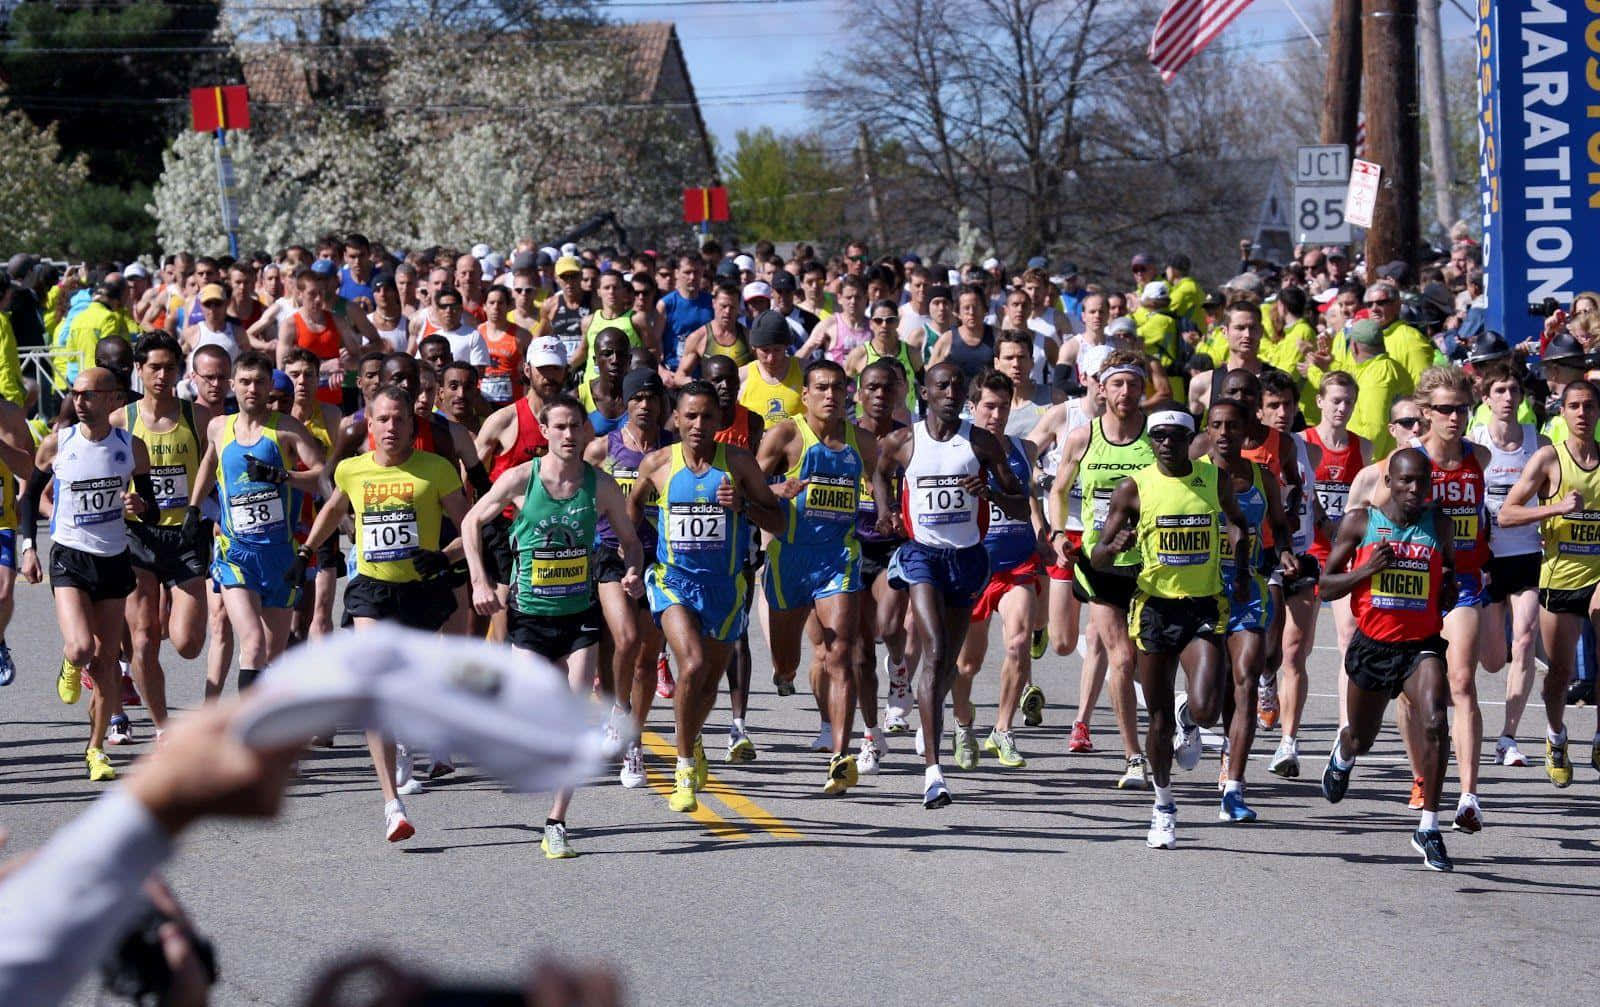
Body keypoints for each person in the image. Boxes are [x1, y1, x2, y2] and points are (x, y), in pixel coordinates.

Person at [464, 394, 644, 859]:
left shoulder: (601, 486)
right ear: (544, 431)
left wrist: (633, 570)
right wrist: (481, 581)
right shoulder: (521, 480)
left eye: (575, 427)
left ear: (586, 432)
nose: (568, 435)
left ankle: (556, 820)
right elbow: (470, 522)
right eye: (559, 427)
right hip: (529, 616)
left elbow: (630, 540)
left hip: (579, 615)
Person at [301, 385, 471, 842]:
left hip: (421, 590)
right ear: (369, 426)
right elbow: (335, 509)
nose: (391, 427)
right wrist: (307, 550)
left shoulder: (436, 470)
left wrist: (447, 557)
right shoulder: (353, 470)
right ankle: (392, 804)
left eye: (399, 419)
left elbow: (470, 527)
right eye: (383, 419)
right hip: (372, 588)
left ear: (411, 426)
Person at [872, 361, 1028, 808]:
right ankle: (934, 773)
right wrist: (886, 512)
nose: (951, 392)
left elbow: (1019, 504)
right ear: (925, 392)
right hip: (922, 555)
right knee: (936, 648)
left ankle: (928, 712)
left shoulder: (980, 443)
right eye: (942, 385)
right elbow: (880, 471)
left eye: (958, 385)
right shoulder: (903, 441)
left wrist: (991, 493)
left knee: (947, 667)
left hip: (967, 559)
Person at [1092, 409, 1249, 849]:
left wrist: (1238, 546)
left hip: (1203, 605)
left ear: (1190, 439)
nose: (1165, 444)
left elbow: (1236, 518)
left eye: (1174, 437)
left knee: (1207, 707)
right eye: (1157, 436)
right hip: (1155, 609)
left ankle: (1191, 718)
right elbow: (1099, 555)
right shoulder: (1133, 488)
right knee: (1156, 718)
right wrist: (1114, 546)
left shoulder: (1213, 479)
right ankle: (1163, 806)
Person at [628, 381, 787, 813]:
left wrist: (744, 506)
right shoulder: (657, 464)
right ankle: (683, 768)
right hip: (673, 581)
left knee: (708, 683)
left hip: (725, 588)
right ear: (675, 419)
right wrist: (632, 561)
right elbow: (627, 519)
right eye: (690, 416)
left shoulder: (738, 463)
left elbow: (780, 520)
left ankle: (692, 739)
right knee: (692, 663)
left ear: (720, 422)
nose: (698, 425)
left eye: (707, 417)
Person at [1319, 447, 1457, 872]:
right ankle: (1343, 754)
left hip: (1420, 645)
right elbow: (1325, 587)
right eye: (1407, 481)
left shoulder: (1440, 525)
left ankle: (1428, 827)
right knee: (1362, 739)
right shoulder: (1362, 522)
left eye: (1423, 482)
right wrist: (1366, 571)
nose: (1415, 490)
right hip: (1373, 646)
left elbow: (1448, 572)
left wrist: (1447, 588)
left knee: (1435, 720)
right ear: (1390, 483)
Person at [18, 367, 156, 780]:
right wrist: (29, 548)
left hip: (113, 559)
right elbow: (28, 499)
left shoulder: (131, 448)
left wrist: (138, 507)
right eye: (75, 394)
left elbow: (149, 505)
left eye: (89, 395)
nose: (79, 402)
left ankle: (96, 749)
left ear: (112, 399)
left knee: (107, 661)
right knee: (81, 649)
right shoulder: (57, 443)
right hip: (69, 556)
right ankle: (68, 663)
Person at [756, 360, 881, 793]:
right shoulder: (786, 436)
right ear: (805, 395)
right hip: (789, 558)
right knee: (788, 659)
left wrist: (884, 508)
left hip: (837, 557)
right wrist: (777, 490)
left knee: (840, 651)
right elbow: (748, 483)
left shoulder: (862, 442)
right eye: (822, 388)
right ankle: (785, 674)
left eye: (838, 388)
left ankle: (839, 757)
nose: (831, 395)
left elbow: (881, 478)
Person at [188, 351, 326, 697]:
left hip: (279, 555)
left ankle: (269, 738)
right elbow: (208, 463)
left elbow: (325, 477)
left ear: (269, 387)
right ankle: (244, 738)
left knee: (273, 655)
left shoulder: (286, 428)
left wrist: (282, 475)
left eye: (260, 382)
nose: (252, 389)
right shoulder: (219, 427)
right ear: (233, 385)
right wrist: (193, 508)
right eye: (245, 382)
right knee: (252, 642)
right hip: (236, 553)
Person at [1052, 349, 1152, 785]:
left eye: (1133, 383)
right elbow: (1058, 490)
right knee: (1122, 657)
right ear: (1101, 388)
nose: (1125, 392)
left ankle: (1174, 722)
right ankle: (1133, 754)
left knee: (1152, 660)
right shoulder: (1082, 437)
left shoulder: (1158, 436)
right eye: (1117, 384)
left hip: (1152, 562)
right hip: (1101, 562)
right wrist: (1058, 534)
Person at [1399, 366, 1491, 830]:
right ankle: (1421, 775)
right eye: (1445, 409)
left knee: (1461, 681)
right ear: (1424, 413)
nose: (1455, 417)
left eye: (1462, 408)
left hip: (1465, 581)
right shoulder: (1407, 461)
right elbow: (1377, 510)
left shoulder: (1481, 457)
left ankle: (1469, 794)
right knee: (1413, 694)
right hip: (1416, 584)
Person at [1498, 379, 1600, 788]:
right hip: (1559, 577)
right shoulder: (1548, 460)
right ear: (1562, 412)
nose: (1581, 413)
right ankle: (1556, 736)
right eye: (1574, 406)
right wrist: (1556, 508)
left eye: (1589, 406)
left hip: (1597, 575)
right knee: (1558, 673)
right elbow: (1507, 514)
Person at [115, 333, 211, 739]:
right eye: (153, 367)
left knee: (188, 643)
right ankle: (162, 728)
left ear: (179, 371)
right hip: (139, 537)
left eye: (169, 367)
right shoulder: (122, 420)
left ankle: (169, 602)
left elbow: (222, 467)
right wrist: (122, 502)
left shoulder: (199, 418)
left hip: (186, 535)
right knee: (143, 640)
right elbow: (102, 476)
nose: (161, 375)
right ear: (139, 370)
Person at [1204, 399, 1297, 821]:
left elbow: (1278, 524)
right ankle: (1192, 713)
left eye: (1232, 426)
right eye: (1217, 426)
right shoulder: (1193, 477)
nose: (1224, 433)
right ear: (1207, 431)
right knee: (1212, 695)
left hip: (1249, 590)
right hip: (1201, 592)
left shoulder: (1262, 476)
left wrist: (1287, 552)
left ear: (1246, 432)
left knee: (1245, 681)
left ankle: (1234, 789)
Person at [1272, 371, 1369, 776]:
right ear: (1319, 403)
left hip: (1345, 559)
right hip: (1309, 554)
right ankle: (1287, 742)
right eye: (1335, 400)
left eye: (1348, 401)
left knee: (1348, 641)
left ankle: (1344, 728)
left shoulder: (1363, 447)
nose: (1341, 408)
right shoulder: (1304, 445)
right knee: (1295, 649)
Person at [951, 370, 1047, 770]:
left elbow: (1032, 502)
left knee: (1017, 642)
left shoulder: (1024, 449)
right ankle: (962, 723)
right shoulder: (956, 449)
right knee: (967, 664)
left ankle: (1002, 730)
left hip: (1017, 564)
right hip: (973, 566)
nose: (996, 414)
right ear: (973, 408)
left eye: (1003, 406)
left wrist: (1045, 536)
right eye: (989, 406)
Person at [587, 368, 674, 785]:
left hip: (660, 558)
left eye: (651, 398)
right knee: (625, 639)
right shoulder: (601, 450)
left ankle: (634, 742)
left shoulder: (675, 450)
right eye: (636, 398)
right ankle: (617, 713)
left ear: (662, 405)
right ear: (623, 403)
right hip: (609, 555)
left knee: (645, 660)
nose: (644, 405)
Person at [1466, 360, 1545, 768]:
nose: (1508, 398)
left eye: (1514, 390)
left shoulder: (1536, 439)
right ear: (1486, 397)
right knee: (1493, 659)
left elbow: (1551, 488)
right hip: (1487, 557)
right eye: (1500, 391)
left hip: (1527, 553)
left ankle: (1508, 737)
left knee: (1527, 637)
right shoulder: (1475, 442)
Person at [704, 355, 763, 760]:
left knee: (737, 631)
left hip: (739, 538)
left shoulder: (752, 423)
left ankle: (738, 726)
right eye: (715, 381)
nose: (724, 386)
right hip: (695, 542)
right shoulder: (688, 424)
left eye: (728, 380)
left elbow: (759, 482)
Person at [852, 360, 912, 742]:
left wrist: (902, 519)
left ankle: (900, 669)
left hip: (895, 544)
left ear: (898, 394)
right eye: (871, 388)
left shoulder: (909, 439)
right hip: (852, 545)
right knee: (858, 646)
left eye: (887, 389)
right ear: (859, 394)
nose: (879, 396)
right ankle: (870, 729)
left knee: (889, 626)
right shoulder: (845, 437)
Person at [739, 310, 804, 425]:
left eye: (777, 350)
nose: (771, 358)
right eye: (765, 350)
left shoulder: (805, 372)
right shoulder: (741, 377)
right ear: (753, 347)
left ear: (786, 346)